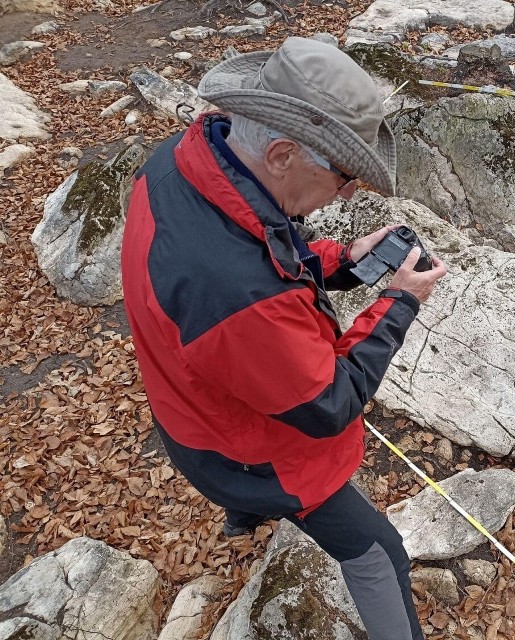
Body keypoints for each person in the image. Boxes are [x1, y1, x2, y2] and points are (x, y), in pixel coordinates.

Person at [120, 36, 447, 640]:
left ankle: (244, 513)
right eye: (346, 174)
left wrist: (345, 259)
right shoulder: (238, 293)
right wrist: (399, 302)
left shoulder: (181, 160)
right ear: (279, 153)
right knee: (379, 554)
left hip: (187, 402)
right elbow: (329, 403)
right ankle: (252, 500)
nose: (352, 192)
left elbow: (265, 247)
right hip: (240, 452)